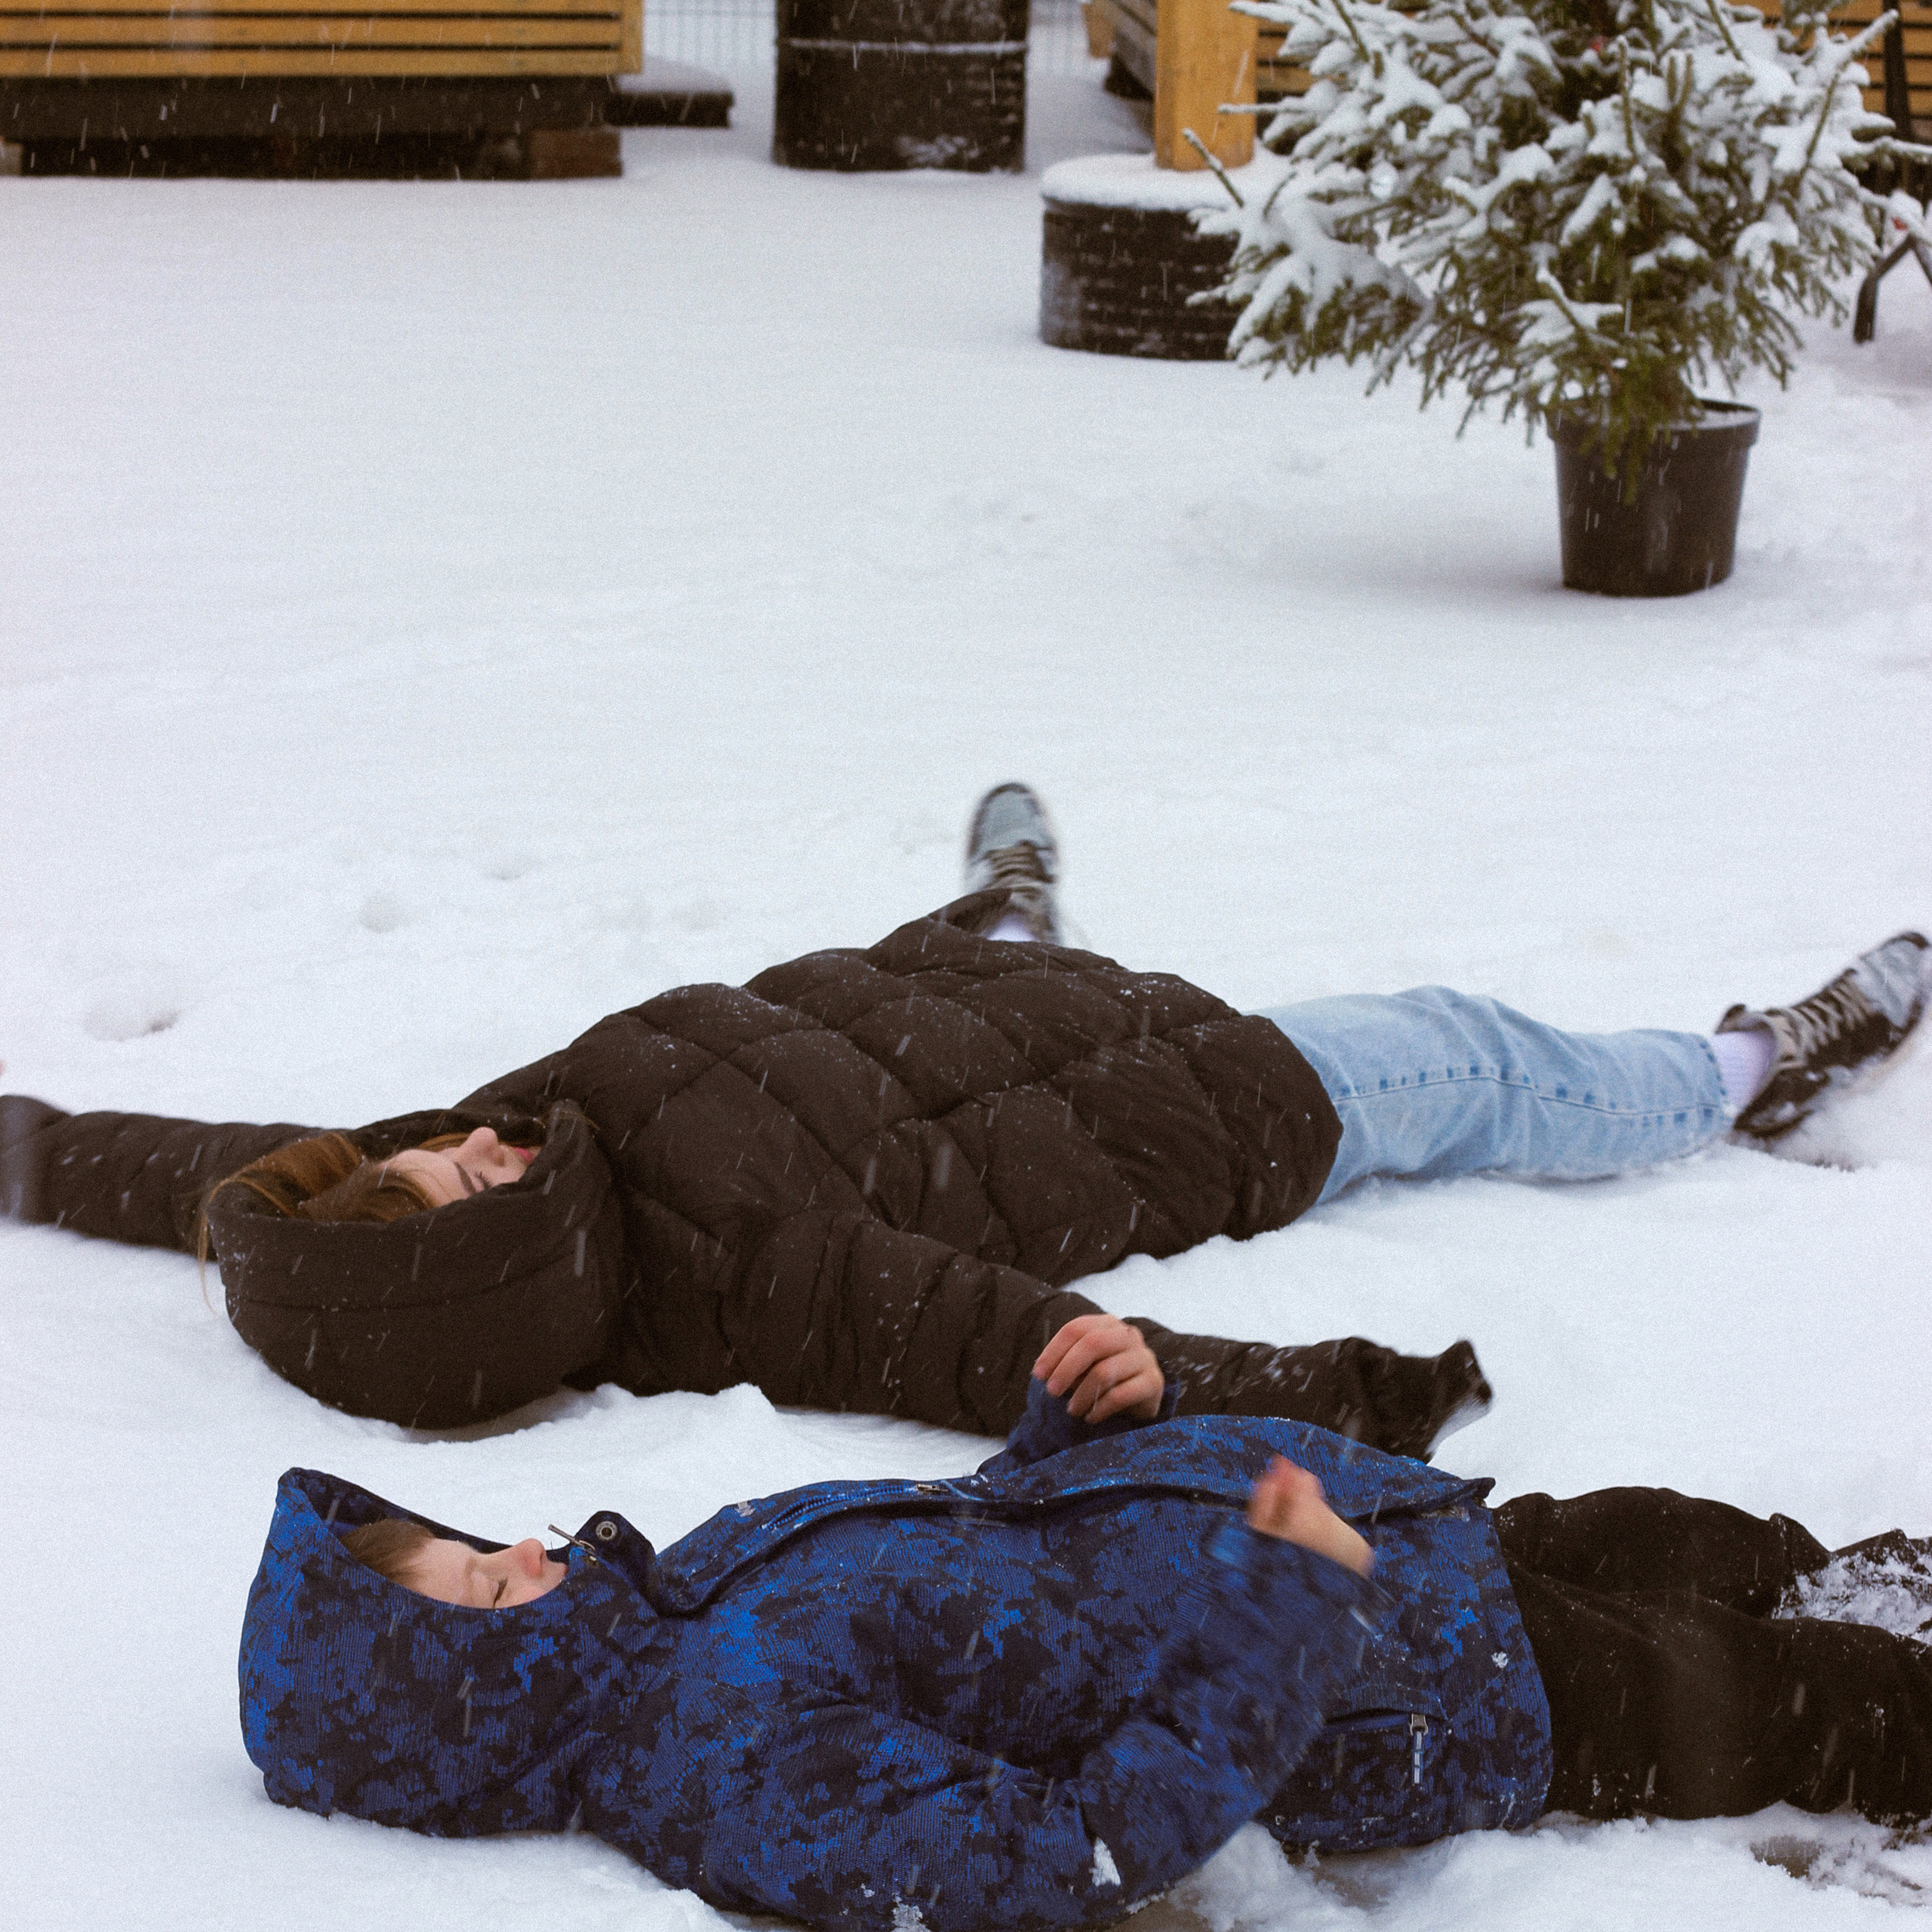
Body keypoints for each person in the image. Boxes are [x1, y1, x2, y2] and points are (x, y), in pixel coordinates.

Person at [3, 783, 1924, 1447]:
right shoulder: (742, 1281)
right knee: (1482, 1051)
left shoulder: (507, 1148)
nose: (481, 1133)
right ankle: (1746, 1067)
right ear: (490, 1263)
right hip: (1219, 1098)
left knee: (982, 931)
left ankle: (1009, 908)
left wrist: (19, 1140)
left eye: (437, 1147)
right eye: (463, 1175)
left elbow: (176, 1164)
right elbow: (1009, 1347)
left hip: (976, 993)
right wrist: (1343, 1387)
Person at [239, 1312, 1932, 1932]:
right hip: (1411, 1684)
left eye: (471, 1539)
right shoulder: (732, 1774)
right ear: (465, 1707)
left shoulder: (676, 1592)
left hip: (1381, 1541)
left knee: (1747, 1550)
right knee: (1830, 1697)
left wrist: (1065, 1430)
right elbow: (1080, 1846)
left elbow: (975, 1570)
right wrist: (1278, 1620)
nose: (519, 1545)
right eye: (477, 1587)